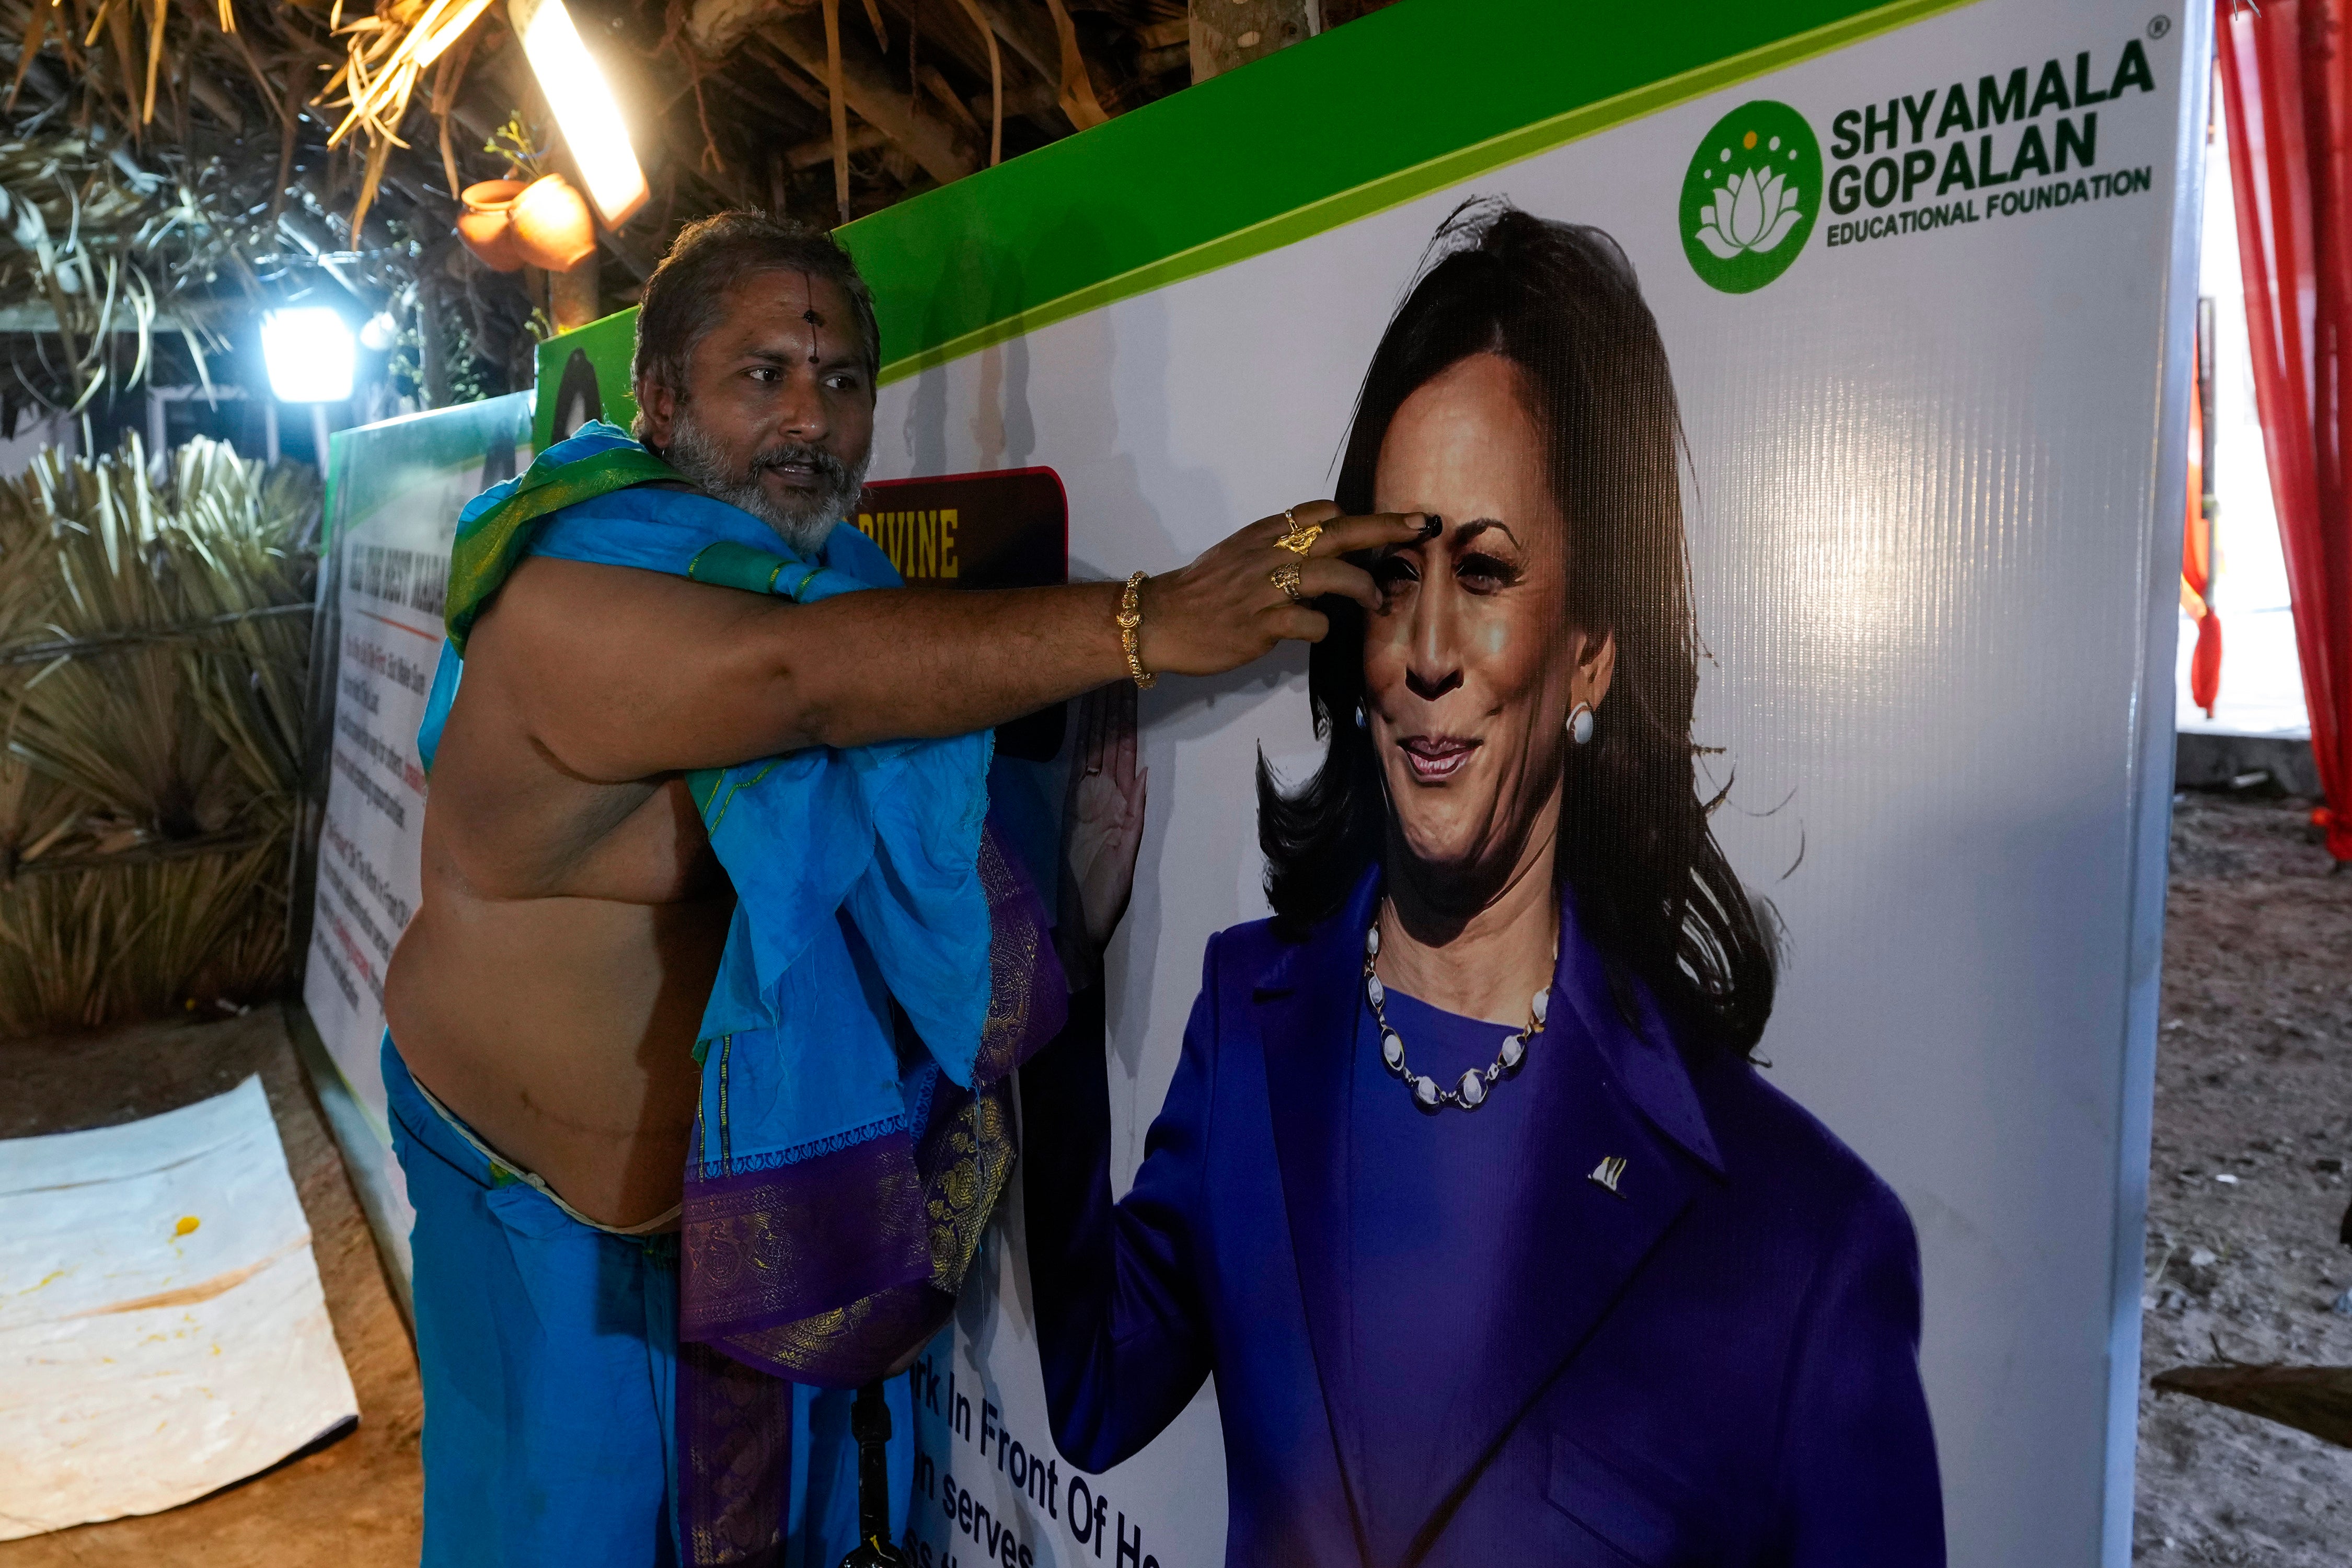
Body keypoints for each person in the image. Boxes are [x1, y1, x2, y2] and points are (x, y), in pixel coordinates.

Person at [377, 210, 1424, 1568]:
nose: (811, 418)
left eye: (843, 380)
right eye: (763, 375)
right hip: (537, 1236)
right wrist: (1151, 619)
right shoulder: (571, 595)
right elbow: (797, 685)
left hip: (752, 1251)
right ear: (661, 400)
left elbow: (865, 713)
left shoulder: (837, 586)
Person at [1022, 202, 1946, 1564]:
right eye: (1394, 576)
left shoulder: (1803, 1241)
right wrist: (1061, 966)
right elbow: (1100, 1392)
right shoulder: (1247, 1023)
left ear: (1592, 649)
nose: (1426, 650)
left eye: (1489, 571)